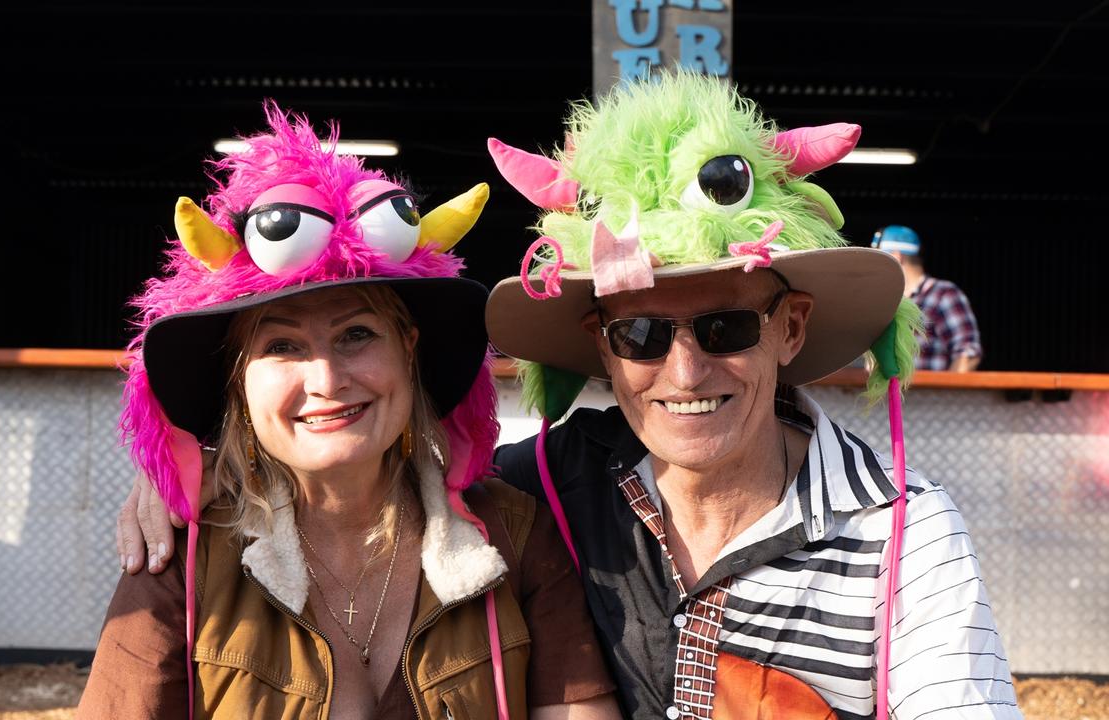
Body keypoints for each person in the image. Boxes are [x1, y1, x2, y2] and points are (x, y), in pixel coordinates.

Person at [123, 75, 1022, 719]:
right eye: (639, 334)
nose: (682, 371)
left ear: (789, 329)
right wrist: (185, 471)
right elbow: (386, 477)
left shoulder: (907, 533)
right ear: (601, 347)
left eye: (724, 329)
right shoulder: (542, 493)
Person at [81, 105, 617, 720]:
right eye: (281, 347)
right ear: (239, 383)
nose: (328, 380)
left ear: (408, 350)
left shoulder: (515, 534)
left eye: (357, 335)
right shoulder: (183, 559)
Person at [872, 224, 982, 372]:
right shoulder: (881, 300)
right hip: (883, 394)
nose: (872, 266)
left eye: (878, 257)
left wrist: (943, 393)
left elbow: (968, 354)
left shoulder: (943, 294)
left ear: (896, 257)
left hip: (925, 394)